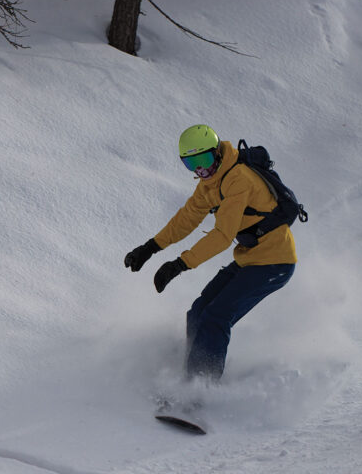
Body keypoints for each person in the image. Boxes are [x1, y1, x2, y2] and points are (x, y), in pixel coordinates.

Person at [124, 124, 297, 382]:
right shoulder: (210, 183)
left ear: (217, 153)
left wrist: (180, 264)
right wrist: (151, 247)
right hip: (250, 258)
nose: (200, 169)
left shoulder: (238, 179)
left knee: (216, 317)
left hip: (274, 262)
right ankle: (191, 372)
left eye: (203, 159)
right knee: (198, 312)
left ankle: (200, 390)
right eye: (190, 164)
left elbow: (223, 236)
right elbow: (187, 218)